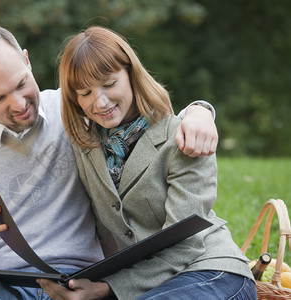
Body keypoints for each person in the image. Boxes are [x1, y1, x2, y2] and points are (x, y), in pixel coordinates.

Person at [0, 24, 219, 299]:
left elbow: (142, 117)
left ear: (27, 61)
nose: (19, 103)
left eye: (22, 84)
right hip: (4, 286)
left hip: (83, 281)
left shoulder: (75, 110)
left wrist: (199, 110)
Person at [37, 26, 256, 299]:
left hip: (209, 271)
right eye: (85, 92)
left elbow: (185, 245)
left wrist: (109, 289)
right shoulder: (85, 145)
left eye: (109, 84)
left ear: (130, 73)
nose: (100, 101)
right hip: (145, 286)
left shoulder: (184, 137)